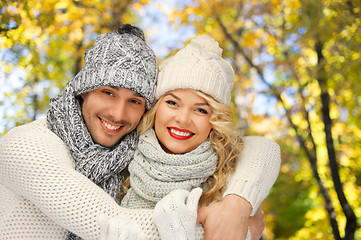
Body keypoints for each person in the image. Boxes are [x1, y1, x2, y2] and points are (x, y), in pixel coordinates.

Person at [0, 24, 279, 240]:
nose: (118, 114)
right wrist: (238, 227)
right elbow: (113, 226)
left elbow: (261, 147)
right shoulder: (27, 145)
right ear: (82, 91)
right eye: (108, 92)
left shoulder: (123, 153)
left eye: (134, 101)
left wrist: (237, 204)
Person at [119, 35, 280, 240]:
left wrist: (237, 205)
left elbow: (264, 147)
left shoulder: (227, 177)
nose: (183, 119)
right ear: (156, 108)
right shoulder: (123, 156)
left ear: (215, 120)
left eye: (201, 110)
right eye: (173, 103)